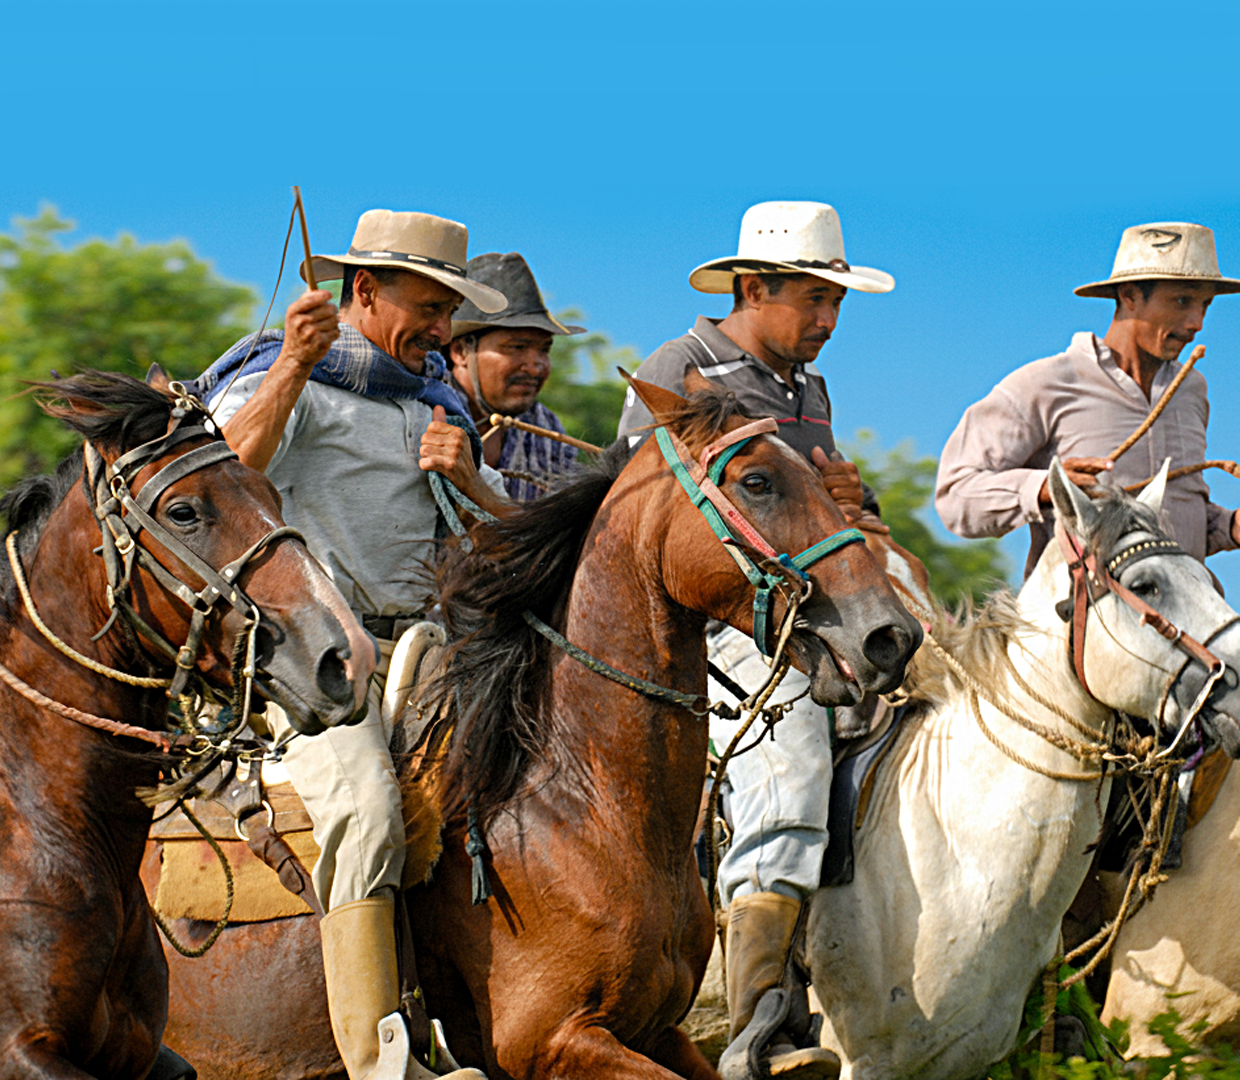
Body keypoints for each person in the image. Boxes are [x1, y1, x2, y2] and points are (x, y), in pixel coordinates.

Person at [195, 208, 506, 1080]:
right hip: (307, 662)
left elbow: (490, 550)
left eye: (451, 311)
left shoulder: (437, 402)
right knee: (368, 808)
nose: (445, 330)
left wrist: (470, 477)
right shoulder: (286, 375)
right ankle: (382, 1061)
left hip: (432, 652)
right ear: (361, 290)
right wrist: (294, 361)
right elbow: (215, 477)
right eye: (430, 306)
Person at [615, 200, 891, 1079]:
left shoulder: (811, 392)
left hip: (804, 613)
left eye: (837, 303)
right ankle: (759, 1020)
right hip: (714, 622)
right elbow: (634, 520)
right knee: (795, 740)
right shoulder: (682, 368)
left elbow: (822, 520)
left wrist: (855, 507)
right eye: (812, 299)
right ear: (752, 286)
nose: (828, 321)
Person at [933, 222, 1240, 577]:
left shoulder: (1190, 389)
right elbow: (956, 496)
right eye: (1182, 301)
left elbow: (1172, 514)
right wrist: (1043, 488)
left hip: (1185, 614)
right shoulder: (1046, 383)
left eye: (1205, 305)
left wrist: (1232, 526)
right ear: (1129, 295)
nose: (1197, 323)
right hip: (1083, 620)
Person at [443, 252, 586, 502]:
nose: (535, 367)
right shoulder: (424, 413)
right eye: (516, 347)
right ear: (460, 351)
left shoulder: (546, 429)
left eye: (544, 350)